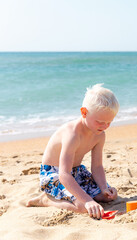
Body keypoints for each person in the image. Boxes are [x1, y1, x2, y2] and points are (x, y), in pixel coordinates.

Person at [26, 83, 119, 219]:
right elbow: (64, 174)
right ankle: (45, 200)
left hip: (77, 173)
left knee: (106, 197)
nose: (105, 126)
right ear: (84, 112)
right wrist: (87, 200)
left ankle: (93, 195)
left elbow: (97, 166)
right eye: (100, 121)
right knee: (83, 207)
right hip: (56, 175)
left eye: (109, 122)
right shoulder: (72, 135)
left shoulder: (100, 134)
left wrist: (104, 187)